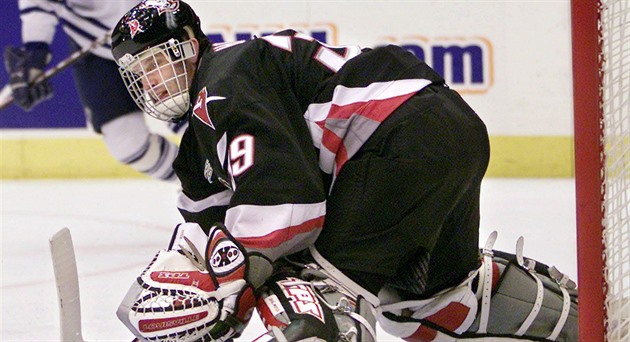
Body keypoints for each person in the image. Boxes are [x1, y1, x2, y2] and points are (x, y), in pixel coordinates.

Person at [110, 1, 578, 341]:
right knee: (431, 304)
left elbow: (288, 207)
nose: (153, 81)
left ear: (191, 45)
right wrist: (206, 289)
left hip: (401, 142)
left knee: (305, 292)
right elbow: (206, 233)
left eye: (158, 62)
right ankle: (593, 325)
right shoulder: (199, 145)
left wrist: (239, 285)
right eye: (140, 73)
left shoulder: (223, 81)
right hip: (445, 132)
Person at [3, 0, 180, 182]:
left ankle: (206, 178)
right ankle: (198, 185)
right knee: (127, 143)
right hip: (96, 42)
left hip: (157, 25)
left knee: (188, 114)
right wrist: (35, 54)